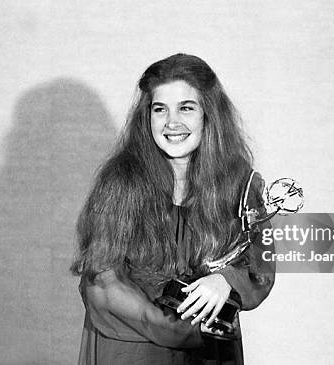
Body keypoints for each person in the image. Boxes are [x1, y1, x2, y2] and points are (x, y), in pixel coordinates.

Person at [71, 53, 275, 365]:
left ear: (209, 115)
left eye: (186, 108)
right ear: (147, 117)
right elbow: (103, 283)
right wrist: (179, 330)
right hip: (134, 352)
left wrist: (227, 281)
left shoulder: (239, 184)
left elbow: (258, 266)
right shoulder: (119, 183)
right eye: (160, 109)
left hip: (208, 354)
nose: (172, 123)